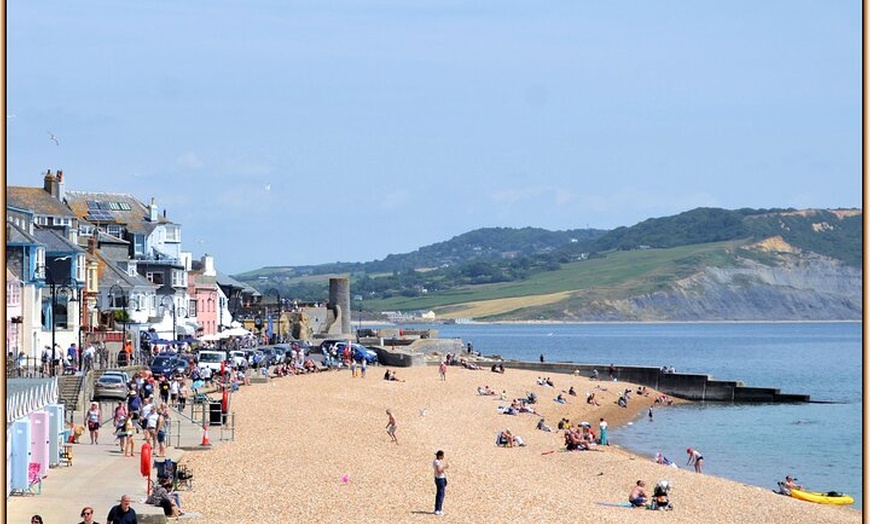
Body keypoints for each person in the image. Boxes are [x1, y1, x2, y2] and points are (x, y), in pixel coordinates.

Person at [433, 450, 448, 515]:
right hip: (440, 479)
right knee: (441, 494)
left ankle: (437, 509)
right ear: (440, 455)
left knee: (438, 494)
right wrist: (445, 467)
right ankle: (439, 509)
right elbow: (439, 470)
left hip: (438, 478)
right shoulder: (437, 462)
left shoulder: (435, 461)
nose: (443, 457)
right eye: (442, 455)